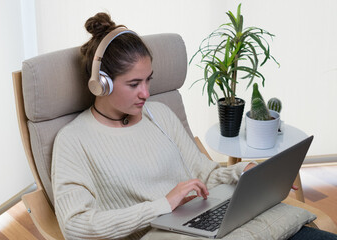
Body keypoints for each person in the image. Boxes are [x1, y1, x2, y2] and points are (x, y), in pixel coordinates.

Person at [51, 13, 337, 240]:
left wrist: (246, 172)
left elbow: (204, 174)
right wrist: (164, 204)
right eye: (134, 84)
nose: (146, 93)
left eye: (148, 79)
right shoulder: (74, 140)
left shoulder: (158, 114)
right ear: (101, 84)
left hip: (202, 221)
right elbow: (76, 227)